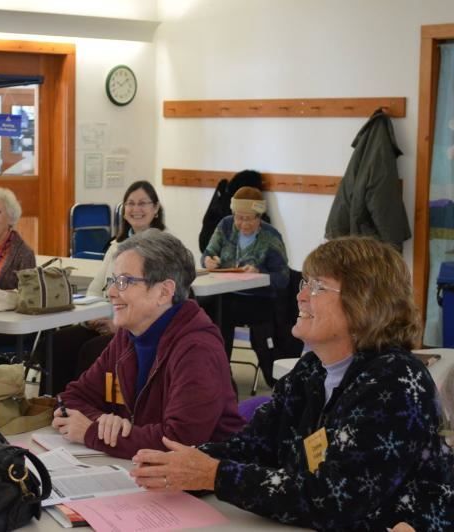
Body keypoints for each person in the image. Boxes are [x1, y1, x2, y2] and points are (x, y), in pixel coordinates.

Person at [131, 237, 454, 531]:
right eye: (305, 283)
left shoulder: (396, 381)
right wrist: (175, 464)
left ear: (365, 303)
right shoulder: (312, 369)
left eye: (318, 287)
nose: (300, 296)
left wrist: (212, 474)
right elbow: (254, 447)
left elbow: (336, 501)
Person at [52, 230, 244, 459]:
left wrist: (93, 432)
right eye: (113, 281)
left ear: (164, 292)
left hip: (202, 487)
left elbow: (180, 441)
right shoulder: (128, 335)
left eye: (124, 281)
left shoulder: (197, 350)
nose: (111, 292)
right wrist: (104, 423)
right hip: (141, 470)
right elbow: (71, 399)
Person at [45, 180, 165, 395]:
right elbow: (95, 287)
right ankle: (56, 407)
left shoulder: (160, 247)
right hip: (103, 320)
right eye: (130, 203)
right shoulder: (116, 246)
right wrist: (92, 317)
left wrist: (117, 324)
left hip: (134, 329)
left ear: (155, 209)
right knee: (58, 342)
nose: (135, 209)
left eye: (142, 203)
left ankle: (83, 409)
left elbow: (149, 302)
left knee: (89, 351)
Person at [200, 186, 289, 381]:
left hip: (259, 299)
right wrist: (209, 260)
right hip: (226, 295)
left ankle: (230, 375)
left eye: (249, 218)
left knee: (223, 313)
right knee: (211, 311)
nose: (242, 223)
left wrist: (260, 273)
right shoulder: (225, 225)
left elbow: (283, 277)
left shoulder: (271, 236)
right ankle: (219, 374)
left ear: (259, 217)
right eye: (239, 217)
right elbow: (207, 253)